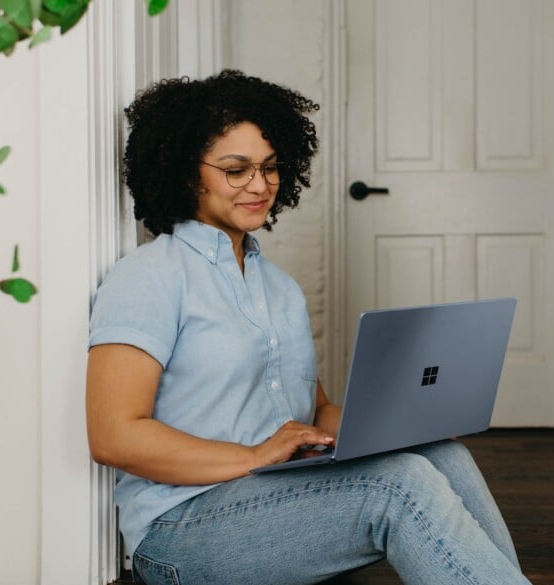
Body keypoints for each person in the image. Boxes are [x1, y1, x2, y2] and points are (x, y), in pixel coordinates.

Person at [85, 70, 530, 585]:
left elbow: (316, 411)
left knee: (440, 454)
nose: (259, 185)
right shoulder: (149, 277)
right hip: (183, 523)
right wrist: (252, 456)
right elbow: (114, 436)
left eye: (270, 168)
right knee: (399, 485)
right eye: (236, 170)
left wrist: (408, 427)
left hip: (278, 491)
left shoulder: (280, 288)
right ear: (188, 174)